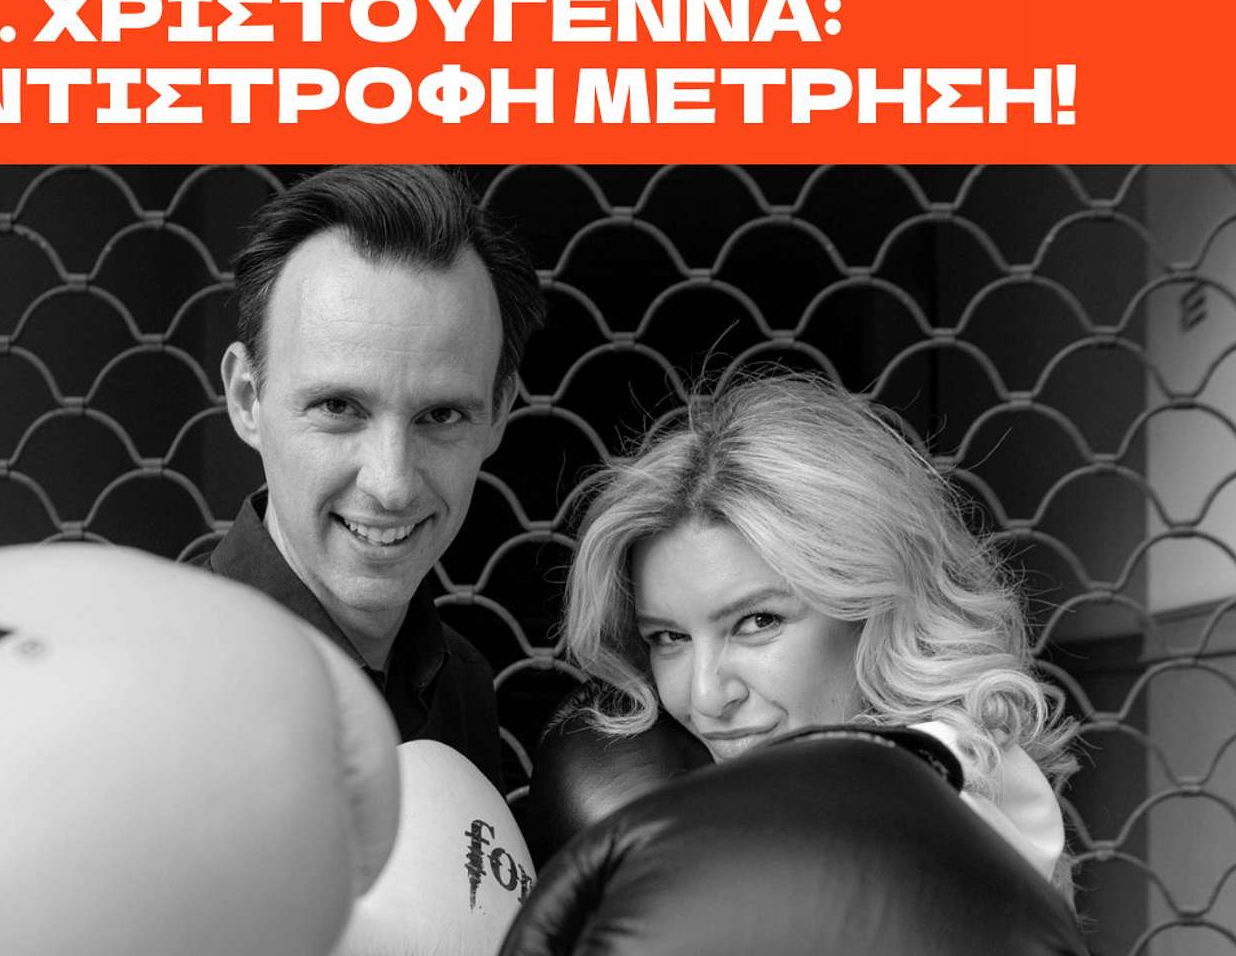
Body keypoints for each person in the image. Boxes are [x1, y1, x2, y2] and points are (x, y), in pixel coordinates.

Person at [560, 372, 1079, 894]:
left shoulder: (910, 812)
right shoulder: (958, 782)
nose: (705, 698)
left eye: (757, 622)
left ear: (873, 610)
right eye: (669, 638)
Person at [193, 165, 544, 787]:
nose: (392, 484)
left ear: (497, 415)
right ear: (247, 398)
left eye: (441, 415)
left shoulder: (462, 683)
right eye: (338, 407)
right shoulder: (143, 688)